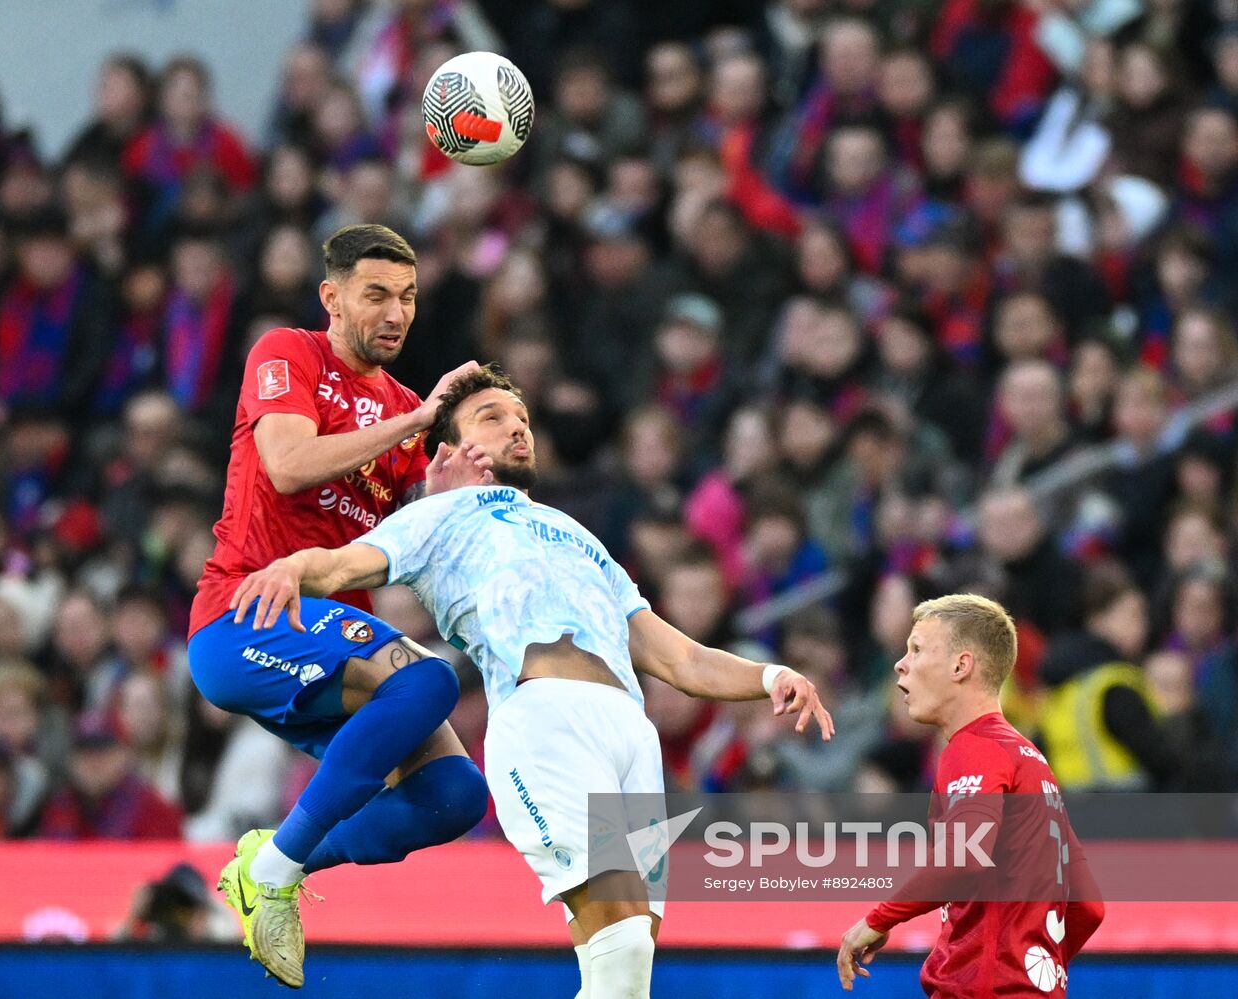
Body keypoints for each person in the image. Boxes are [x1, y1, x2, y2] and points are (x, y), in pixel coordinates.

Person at [228, 366, 836, 999]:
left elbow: (678, 659)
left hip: (633, 736)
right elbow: (345, 563)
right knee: (622, 945)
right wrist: (292, 568)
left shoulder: (576, 533)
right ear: (450, 451)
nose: (517, 425)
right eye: (492, 417)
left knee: (624, 975)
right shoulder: (439, 518)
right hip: (548, 725)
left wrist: (768, 675)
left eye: (520, 416)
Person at [186, 223, 489, 988]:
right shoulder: (288, 354)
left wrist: (455, 493)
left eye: (409, 298)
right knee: (427, 680)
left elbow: (416, 541)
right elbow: (286, 466)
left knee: (455, 795)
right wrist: (417, 423)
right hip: (243, 616)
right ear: (333, 297)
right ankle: (280, 872)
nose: (396, 313)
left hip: (326, 642)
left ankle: (272, 859)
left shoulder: (402, 412)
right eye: (377, 294)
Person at [836, 594, 1105, 996]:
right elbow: (1088, 905)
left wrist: (879, 918)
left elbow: (964, 854)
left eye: (917, 649)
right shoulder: (1030, 759)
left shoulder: (973, 748)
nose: (900, 663)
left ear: (961, 666)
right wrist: (1032, 969)